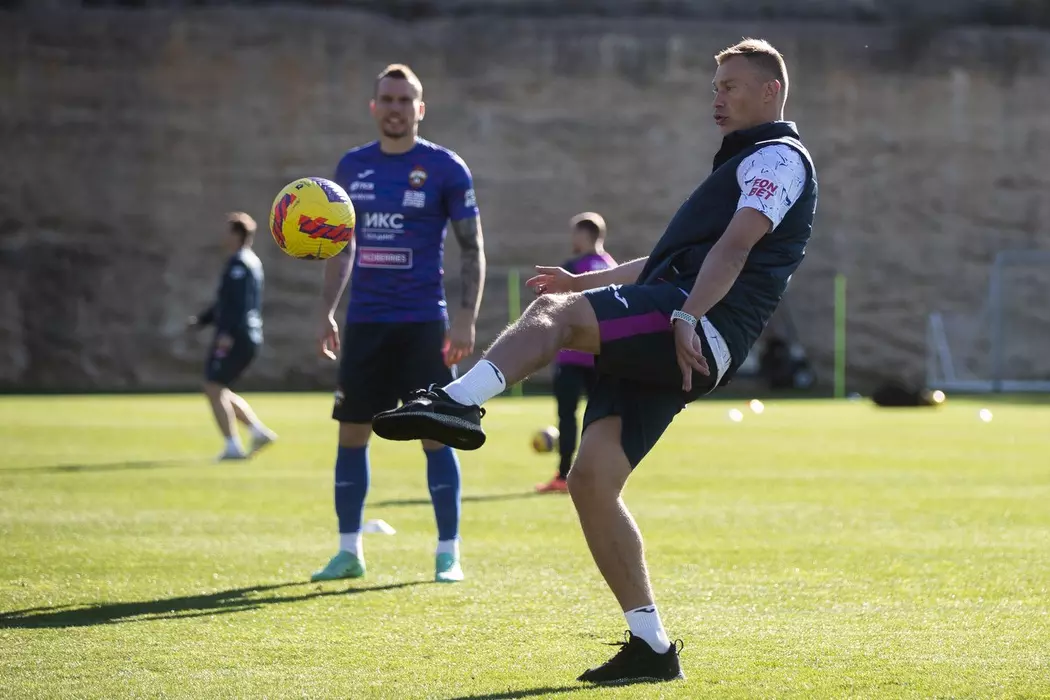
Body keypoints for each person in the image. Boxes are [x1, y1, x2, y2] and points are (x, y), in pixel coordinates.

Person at [373, 39, 817, 684]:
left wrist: (688, 315)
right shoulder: (743, 162)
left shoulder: (778, 157)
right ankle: (652, 646)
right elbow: (667, 262)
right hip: (682, 329)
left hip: (690, 327)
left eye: (730, 86)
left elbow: (735, 250)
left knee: (552, 319)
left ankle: (457, 401)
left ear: (771, 91)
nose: (716, 97)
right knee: (589, 481)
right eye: (714, 86)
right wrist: (581, 283)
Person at [311, 64, 486, 584]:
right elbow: (341, 247)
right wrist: (327, 309)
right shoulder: (351, 167)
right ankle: (348, 552)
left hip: (423, 322)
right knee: (351, 434)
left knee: (436, 434)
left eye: (405, 100)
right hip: (366, 322)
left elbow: (472, 247)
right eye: (387, 99)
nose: (395, 108)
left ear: (420, 108)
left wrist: (466, 317)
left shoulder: (445, 168)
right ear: (373, 107)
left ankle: (448, 553)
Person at [535, 212, 616, 494]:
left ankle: (563, 476)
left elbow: (552, 304)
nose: (572, 239)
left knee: (567, 417)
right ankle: (601, 476)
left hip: (572, 355)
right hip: (602, 355)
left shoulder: (573, 268)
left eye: (575, 233)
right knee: (601, 418)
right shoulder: (612, 267)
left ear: (584, 235)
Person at [188, 212, 277, 461]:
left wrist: (226, 334)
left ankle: (232, 446)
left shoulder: (240, 264)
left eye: (227, 231)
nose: (223, 237)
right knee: (219, 388)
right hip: (247, 334)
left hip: (237, 335)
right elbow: (224, 305)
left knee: (212, 386)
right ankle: (257, 432)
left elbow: (236, 306)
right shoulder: (251, 261)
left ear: (237, 234)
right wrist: (202, 321)